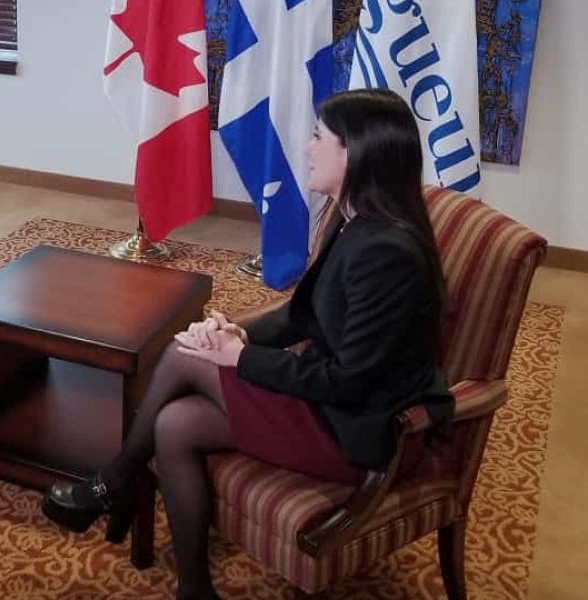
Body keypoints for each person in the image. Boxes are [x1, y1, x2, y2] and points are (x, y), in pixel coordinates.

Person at [41, 88, 453, 600]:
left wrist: (238, 357)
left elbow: (351, 382)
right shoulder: (356, 222)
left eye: (317, 137)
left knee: (181, 355)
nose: (306, 147)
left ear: (355, 153)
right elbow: (301, 316)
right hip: (331, 403)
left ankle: (114, 480)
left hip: (354, 429)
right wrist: (236, 331)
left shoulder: (386, 253)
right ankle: (192, 586)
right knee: (174, 423)